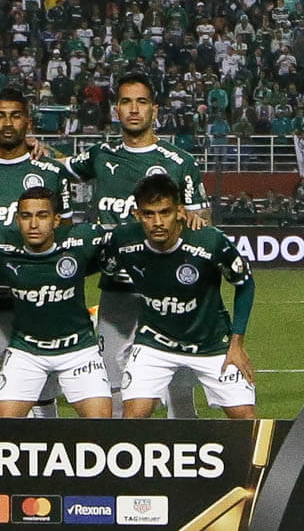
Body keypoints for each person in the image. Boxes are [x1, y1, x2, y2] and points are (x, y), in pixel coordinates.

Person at [54, 72, 208, 417]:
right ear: (116, 110)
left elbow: (203, 222)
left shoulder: (178, 161)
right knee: (112, 379)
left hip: (168, 291)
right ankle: (127, 456)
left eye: (141, 102)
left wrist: (192, 221)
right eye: (126, 102)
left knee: (178, 386)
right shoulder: (100, 155)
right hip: (116, 290)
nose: (133, 109)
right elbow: (51, 169)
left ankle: (182, 458)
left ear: (155, 110)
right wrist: (24, 150)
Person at [0, 88, 69, 417]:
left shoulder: (50, 171)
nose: (8, 123)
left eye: (16, 115)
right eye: (0, 116)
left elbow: (65, 236)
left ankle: (49, 461)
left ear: (27, 122)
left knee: (44, 390)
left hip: (39, 299)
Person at [104, 175, 255, 419]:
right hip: (155, 343)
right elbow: (103, 266)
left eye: (165, 212)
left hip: (212, 344)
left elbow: (245, 284)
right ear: (137, 214)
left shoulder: (209, 241)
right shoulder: (122, 240)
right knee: (132, 419)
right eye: (149, 214)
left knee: (246, 418)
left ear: (180, 212)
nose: (158, 222)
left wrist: (237, 345)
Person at [0, 187, 112, 418]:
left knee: (101, 425)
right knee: (2, 427)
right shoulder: (0, 244)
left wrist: (188, 223)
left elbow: (134, 233)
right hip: (26, 351)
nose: (33, 224)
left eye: (42, 216)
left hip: (78, 349)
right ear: (17, 219)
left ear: (56, 220)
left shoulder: (81, 239)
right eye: (26, 216)